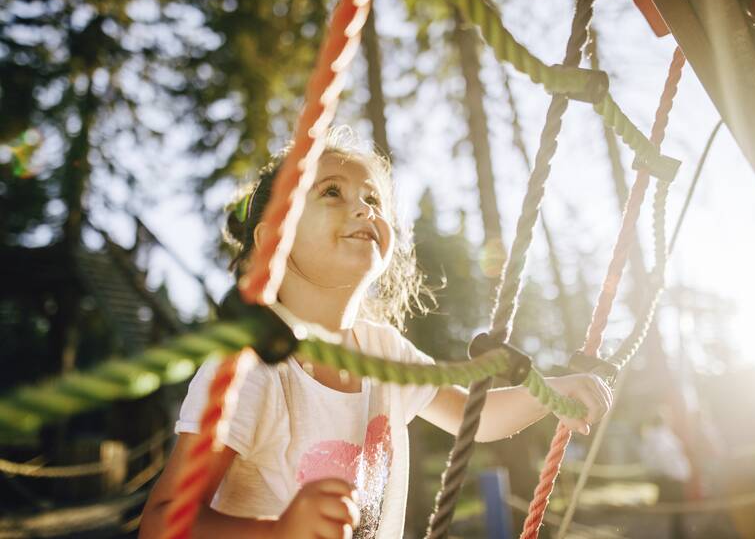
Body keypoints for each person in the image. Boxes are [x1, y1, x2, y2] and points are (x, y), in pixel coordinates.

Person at [140, 128, 613, 539]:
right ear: (272, 241)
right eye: (332, 192)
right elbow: (163, 523)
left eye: (373, 199)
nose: (364, 210)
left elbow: (478, 417)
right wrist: (279, 532)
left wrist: (550, 392)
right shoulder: (249, 369)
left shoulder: (382, 349)